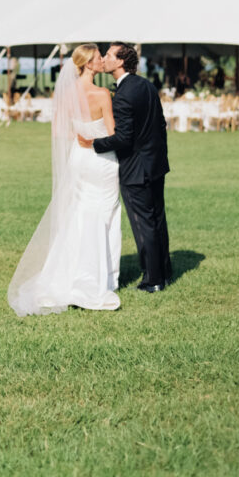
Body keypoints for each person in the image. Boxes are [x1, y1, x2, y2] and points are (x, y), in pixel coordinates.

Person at [8, 44, 121, 315]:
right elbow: (111, 131)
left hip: (78, 157)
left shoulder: (67, 94)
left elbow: (62, 129)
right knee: (106, 213)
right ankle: (104, 278)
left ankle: (70, 272)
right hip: (101, 159)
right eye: (97, 58)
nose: (101, 61)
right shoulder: (102, 93)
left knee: (80, 213)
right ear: (88, 65)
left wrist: (80, 139)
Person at [91, 42, 171, 293]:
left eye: (108, 55)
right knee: (157, 220)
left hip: (136, 169)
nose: (103, 58)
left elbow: (123, 138)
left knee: (142, 223)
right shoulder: (146, 85)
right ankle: (164, 273)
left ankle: (152, 279)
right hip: (156, 165)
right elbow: (161, 125)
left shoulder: (124, 94)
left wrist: (93, 144)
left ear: (120, 62)